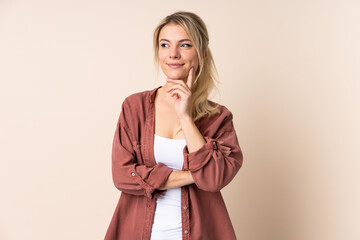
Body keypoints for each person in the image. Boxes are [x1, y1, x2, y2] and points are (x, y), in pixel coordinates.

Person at [104, 11, 243, 240]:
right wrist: (194, 174)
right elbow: (122, 175)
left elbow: (215, 179)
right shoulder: (134, 107)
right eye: (165, 45)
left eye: (185, 45)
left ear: (202, 55)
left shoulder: (219, 118)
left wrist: (186, 117)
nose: (173, 54)